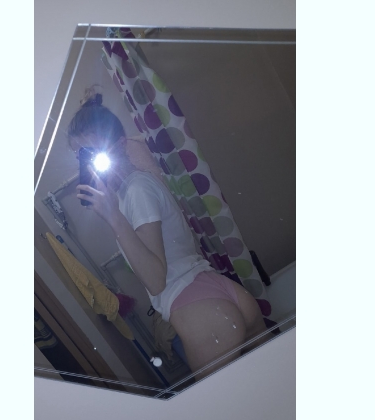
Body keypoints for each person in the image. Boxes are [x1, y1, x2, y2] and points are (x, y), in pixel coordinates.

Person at [68, 90, 269, 379]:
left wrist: (113, 217)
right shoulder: (135, 187)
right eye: (81, 155)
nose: (88, 163)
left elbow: (156, 279)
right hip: (217, 291)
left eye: (93, 153)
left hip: (199, 311)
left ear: (120, 145)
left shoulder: (135, 191)